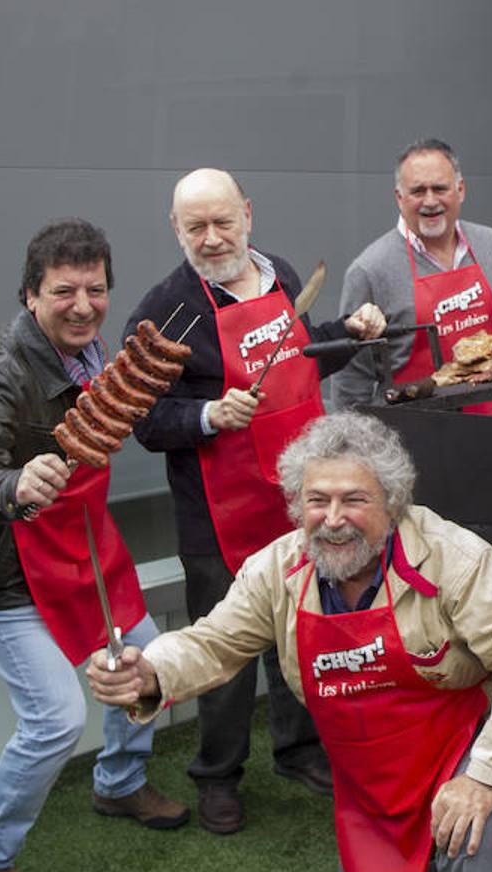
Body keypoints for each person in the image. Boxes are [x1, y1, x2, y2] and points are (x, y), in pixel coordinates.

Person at [87, 412, 492, 872]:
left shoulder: (452, 556)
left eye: (355, 500)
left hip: (455, 743)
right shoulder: (277, 568)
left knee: (474, 842)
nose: (334, 518)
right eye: (317, 500)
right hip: (365, 774)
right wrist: (150, 672)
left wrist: (484, 778)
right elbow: (213, 642)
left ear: (392, 503)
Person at [122, 168, 386, 834]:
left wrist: (348, 331)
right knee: (224, 651)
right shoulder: (165, 312)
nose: (212, 239)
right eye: (196, 227)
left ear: (247, 214)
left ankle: (296, 751)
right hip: (219, 513)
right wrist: (209, 414)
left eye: (223, 222)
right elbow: (146, 421)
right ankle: (217, 775)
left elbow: (296, 362)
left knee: (301, 628)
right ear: (174, 229)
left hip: (300, 497)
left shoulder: (283, 275)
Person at [0, 219, 188, 872]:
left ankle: (119, 784)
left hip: (77, 545)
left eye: (95, 289)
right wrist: (14, 484)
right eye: (63, 291)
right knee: (54, 719)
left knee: (147, 659)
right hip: (2, 569)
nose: (83, 304)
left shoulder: (94, 352)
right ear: (30, 296)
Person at [332, 138, 492, 412]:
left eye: (440, 188)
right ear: (399, 197)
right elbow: (352, 380)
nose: (430, 201)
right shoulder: (370, 270)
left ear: (460, 189)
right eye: (418, 191)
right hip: (413, 435)